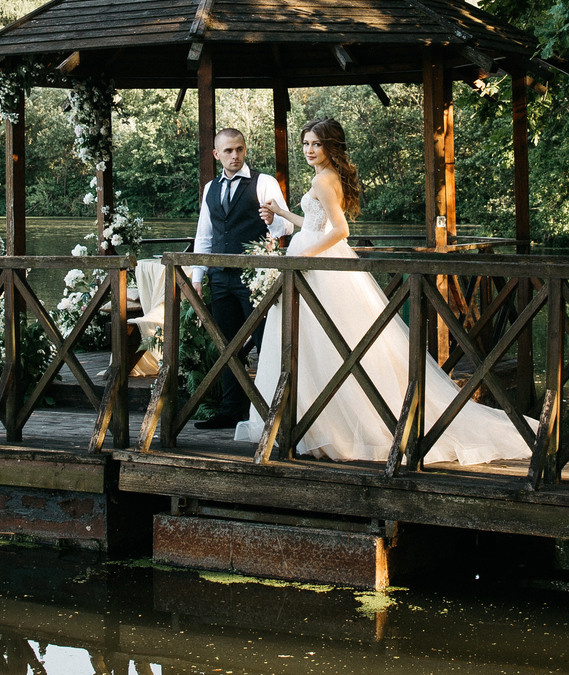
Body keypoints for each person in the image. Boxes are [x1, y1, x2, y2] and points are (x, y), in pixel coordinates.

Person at [237, 118, 532, 466]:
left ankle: (326, 425)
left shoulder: (323, 179)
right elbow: (318, 225)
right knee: (320, 345)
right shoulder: (329, 177)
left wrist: (301, 254)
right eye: (305, 144)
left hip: (316, 264)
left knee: (324, 344)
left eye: (315, 144)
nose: (308, 151)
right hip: (315, 259)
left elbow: (340, 231)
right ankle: (313, 423)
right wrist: (282, 213)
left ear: (332, 146)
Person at [189, 128, 293, 430]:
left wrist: (274, 221)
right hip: (220, 278)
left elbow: (287, 229)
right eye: (229, 151)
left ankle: (272, 410)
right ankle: (231, 409)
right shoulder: (210, 188)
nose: (235, 156)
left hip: (254, 277)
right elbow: (204, 234)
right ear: (216, 154)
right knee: (227, 345)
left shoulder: (264, 182)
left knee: (265, 342)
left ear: (245, 149)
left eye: (240, 149)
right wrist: (198, 275)